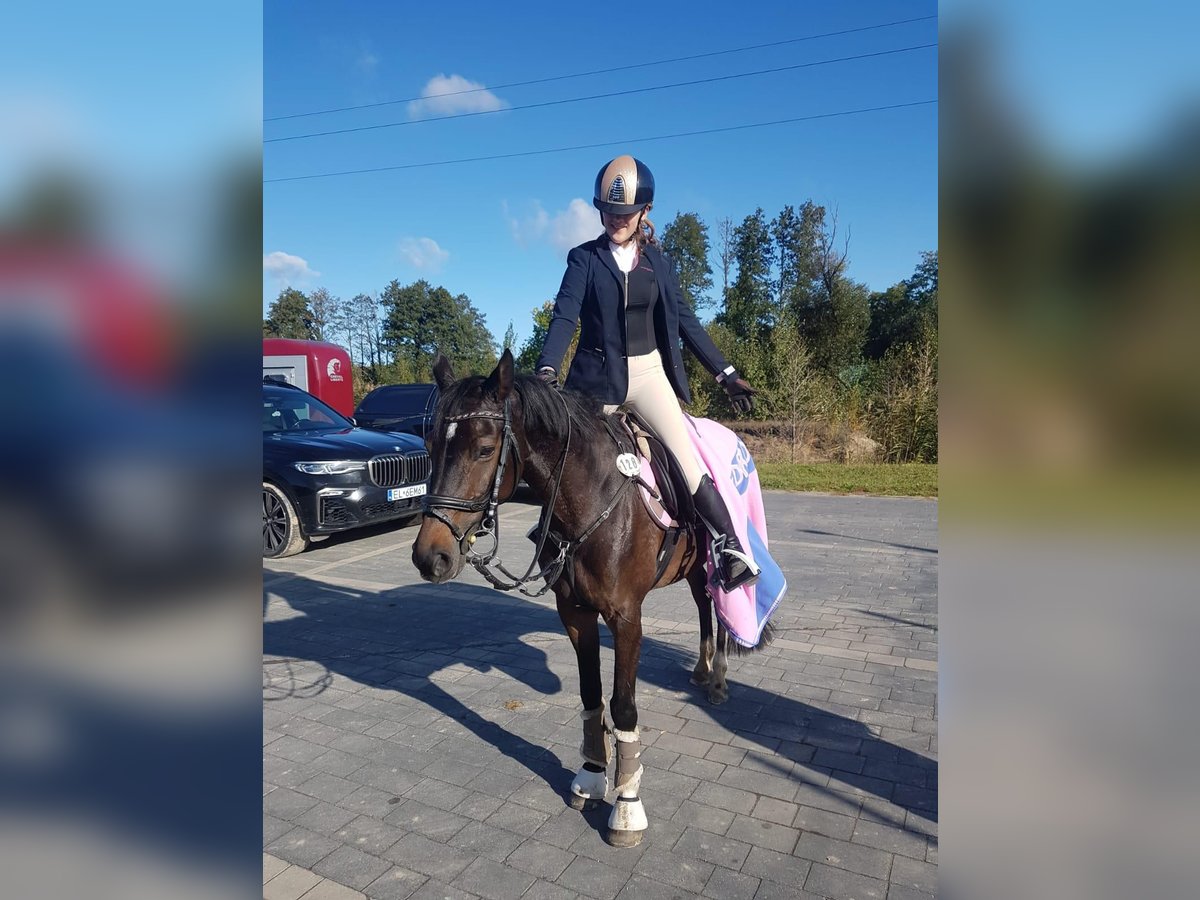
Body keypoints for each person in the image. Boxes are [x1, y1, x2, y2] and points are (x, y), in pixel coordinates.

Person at [536, 155, 760, 590]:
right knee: (565, 458)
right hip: (595, 382)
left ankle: (730, 547)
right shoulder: (583, 259)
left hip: (649, 375)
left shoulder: (659, 264)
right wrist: (547, 368)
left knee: (686, 461)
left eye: (624, 212)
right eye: (608, 210)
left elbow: (686, 322)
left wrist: (726, 374)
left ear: (645, 211)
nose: (615, 219)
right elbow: (564, 316)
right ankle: (550, 542)